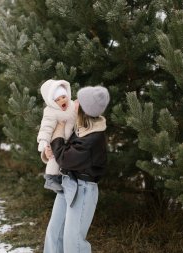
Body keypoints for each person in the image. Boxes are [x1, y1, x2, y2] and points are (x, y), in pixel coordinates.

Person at [43, 86, 110, 253]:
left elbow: (65, 158)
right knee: (54, 233)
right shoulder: (83, 128)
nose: (76, 102)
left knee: (74, 243)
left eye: (80, 101)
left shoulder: (94, 137)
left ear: (86, 110)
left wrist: (57, 134)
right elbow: (61, 153)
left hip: (84, 189)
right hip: (69, 183)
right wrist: (48, 150)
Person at [37, 79, 77, 192]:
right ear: (52, 101)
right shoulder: (50, 111)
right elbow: (46, 126)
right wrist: (44, 142)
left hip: (68, 139)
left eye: (63, 97)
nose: (61, 101)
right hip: (55, 140)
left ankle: (62, 177)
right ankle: (50, 178)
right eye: (57, 99)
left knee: (65, 157)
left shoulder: (72, 106)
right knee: (54, 157)